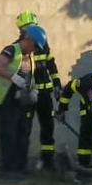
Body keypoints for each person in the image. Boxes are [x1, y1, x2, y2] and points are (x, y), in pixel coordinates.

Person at [0, 24, 47, 175]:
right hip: (5, 97)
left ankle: (20, 165)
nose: (35, 49)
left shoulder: (29, 56)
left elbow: (28, 76)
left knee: (22, 131)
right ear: (28, 39)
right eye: (35, 46)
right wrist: (13, 78)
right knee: (8, 133)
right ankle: (9, 167)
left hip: (20, 99)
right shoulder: (12, 50)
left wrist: (32, 90)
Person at [16, 11, 63, 171]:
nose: (30, 31)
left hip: (44, 94)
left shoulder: (43, 44)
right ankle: (21, 162)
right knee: (25, 128)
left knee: (47, 127)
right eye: (27, 29)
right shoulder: (18, 47)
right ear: (21, 30)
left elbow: (51, 64)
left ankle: (48, 161)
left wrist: (57, 84)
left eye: (32, 27)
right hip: (28, 95)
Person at [55, 69, 92, 170]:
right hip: (86, 103)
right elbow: (68, 88)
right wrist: (61, 110)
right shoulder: (83, 84)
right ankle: (84, 160)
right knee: (86, 129)